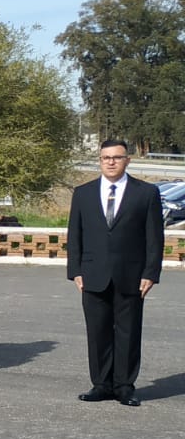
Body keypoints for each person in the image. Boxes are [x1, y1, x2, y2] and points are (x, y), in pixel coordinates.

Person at [68, 139, 163, 407]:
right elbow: (75, 234)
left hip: (131, 275)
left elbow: (154, 237)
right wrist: (75, 270)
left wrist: (151, 272)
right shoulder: (83, 193)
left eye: (117, 157)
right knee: (97, 332)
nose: (111, 162)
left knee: (128, 331)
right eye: (105, 157)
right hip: (92, 274)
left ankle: (124, 386)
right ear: (100, 160)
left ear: (127, 161)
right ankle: (101, 384)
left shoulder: (146, 193)